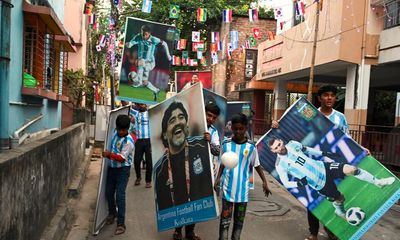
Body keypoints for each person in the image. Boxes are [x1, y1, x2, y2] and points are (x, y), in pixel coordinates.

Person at [270, 85, 363, 240]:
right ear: (319, 98)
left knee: (335, 194)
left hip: (329, 160)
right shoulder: (310, 114)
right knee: (313, 201)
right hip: (310, 164)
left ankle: (330, 229)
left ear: (335, 98)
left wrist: (361, 148)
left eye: (332, 95)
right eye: (325, 95)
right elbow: (290, 126)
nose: (329, 98)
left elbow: (348, 139)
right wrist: (276, 125)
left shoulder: (340, 117)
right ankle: (313, 233)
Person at [154, 101, 213, 240]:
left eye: (181, 117)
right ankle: (177, 231)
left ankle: (190, 231)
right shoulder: (160, 170)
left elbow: (216, 153)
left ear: (187, 126)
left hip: (196, 205)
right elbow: (163, 204)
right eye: (172, 120)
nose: (177, 122)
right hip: (176, 209)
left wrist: (209, 141)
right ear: (164, 134)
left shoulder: (201, 148)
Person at [214, 113, 272, 240]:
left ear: (245, 128)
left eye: (241, 128)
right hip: (227, 190)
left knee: (239, 223)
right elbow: (223, 163)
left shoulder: (251, 147)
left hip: (242, 192)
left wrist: (264, 181)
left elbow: (256, 164)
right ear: (232, 128)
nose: (238, 131)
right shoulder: (226, 144)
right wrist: (217, 179)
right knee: (225, 222)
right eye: (235, 128)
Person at [102, 115, 135, 235]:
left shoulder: (129, 141)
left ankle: (121, 223)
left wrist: (108, 154)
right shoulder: (114, 133)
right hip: (112, 169)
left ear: (127, 128)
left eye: (123, 130)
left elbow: (121, 158)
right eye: (119, 129)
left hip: (123, 170)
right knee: (109, 192)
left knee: (120, 196)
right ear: (116, 127)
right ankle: (112, 213)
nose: (121, 132)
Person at [125, 24, 172, 101]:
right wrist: (129, 44)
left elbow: (165, 44)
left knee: (140, 61)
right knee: (145, 82)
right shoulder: (138, 37)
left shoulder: (154, 39)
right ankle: (156, 91)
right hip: (142, 63)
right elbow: (131, 43)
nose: (143, 36)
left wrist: (168, 55)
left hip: (150, 63)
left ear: (149, 34)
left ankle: (137, 81)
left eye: (145, 34)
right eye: (142, 33)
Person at [130, 103, 153, 188]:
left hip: (148, 141)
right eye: (140, 104)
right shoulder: (136, 113)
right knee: (136, 161)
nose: (141, 106)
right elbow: (126, 106)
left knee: (149, 162)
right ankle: (138, 177)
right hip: (139, 141)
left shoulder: (150, 113)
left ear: (146, 105)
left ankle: (148, 181)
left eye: (143, 104)